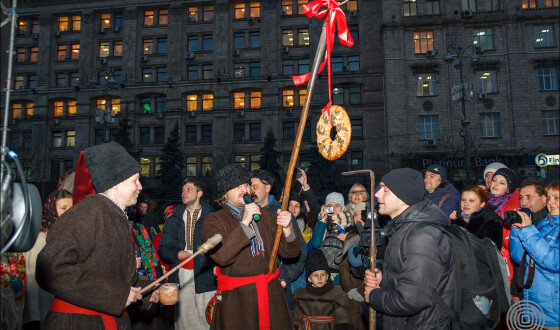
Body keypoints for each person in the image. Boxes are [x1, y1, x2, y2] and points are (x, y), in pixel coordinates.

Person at [36, 142, 159, 329]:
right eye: (135, 180)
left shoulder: (112, 214)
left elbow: (112, 275)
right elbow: (51, 269)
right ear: (116, 183)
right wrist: (116, 295)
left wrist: (150, 290)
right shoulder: (87, 212)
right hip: (78, 323)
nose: (140, 186)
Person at [202, 164, 301, 330]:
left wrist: (288, 229)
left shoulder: (267, 217)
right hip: (238, 300)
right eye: (237, 187)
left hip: (271, 295)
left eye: (246, 185)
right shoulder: (213, 221)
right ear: (224, 194)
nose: (244, 190)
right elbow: (221, 256)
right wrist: (244, 223)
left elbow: (291, 253)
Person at [364, 168, 457, 329]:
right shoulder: (405, 229)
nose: (378, 194)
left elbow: (411, 299)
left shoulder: (422, 237)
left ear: (403, 197)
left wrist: (373, 296)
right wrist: (385, 280)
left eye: (385, 190)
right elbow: (413, 281)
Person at [158, 178, 216, 330]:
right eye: (183, 190)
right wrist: (177, 254)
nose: (184, 193)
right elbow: (163, 249)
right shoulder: (173, 220)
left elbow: (220, 247)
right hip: (181, 276)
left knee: (207, 321)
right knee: (184, 323)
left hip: (206, 276)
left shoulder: (212, 218)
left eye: (188, 189)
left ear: (199, 193)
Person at [250, 169, 307, 309]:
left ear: (267, 187)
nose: (251, 191)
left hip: (277, 283)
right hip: (252, 284)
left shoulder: (281, 213)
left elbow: (300, 249)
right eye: (250, 186)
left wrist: (286, 274)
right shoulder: (247, 211)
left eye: (255, 186)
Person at [510, 181, 559, 329]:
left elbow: (553, 261)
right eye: (549, 198)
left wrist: (528, 231)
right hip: (535, 308)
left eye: (556, 197)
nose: (551, 202)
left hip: (554, 312)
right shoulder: (545, 224)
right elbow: (521, 258)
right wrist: (518, 230)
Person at [292, 249, 352, 330]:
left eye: (323, 274)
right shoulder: (301, 296)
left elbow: (343, 321)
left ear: (327, 276)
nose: (320, 278)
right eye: (315, 275)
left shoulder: (337, 295)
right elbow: (295, 321)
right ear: (309, 278)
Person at [487, 167, 520, 286]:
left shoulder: (511, 207)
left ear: (508, 189)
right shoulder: (482, 201)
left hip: (503, 257)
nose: (495, 184)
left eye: (502, 183)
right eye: (494, 180)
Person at [309, 192, 352, 275]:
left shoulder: (349, 224)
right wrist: (323, 220)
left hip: (343, 271)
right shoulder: (323, 223)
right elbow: (315, 244)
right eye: (330, 206)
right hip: (324, 271)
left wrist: (348, 236)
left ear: (342, 207)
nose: (334, 209)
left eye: (337, 206)